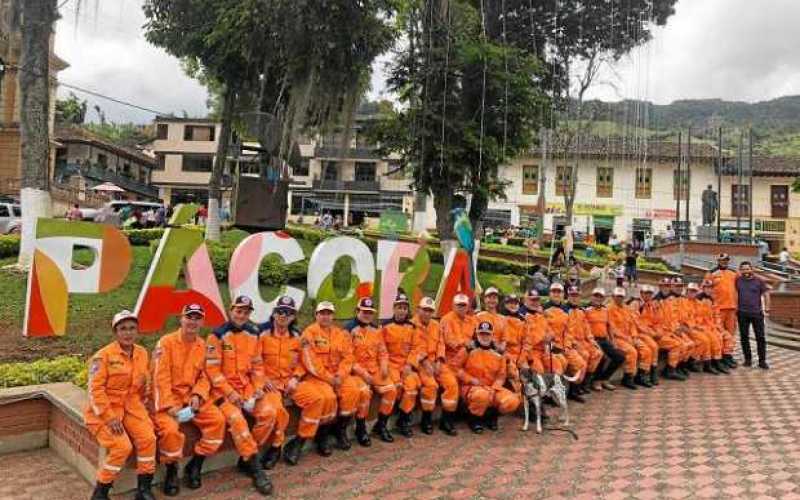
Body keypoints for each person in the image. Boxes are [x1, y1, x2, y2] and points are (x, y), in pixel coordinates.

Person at [152, 304, 226, 496]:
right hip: (170, 399)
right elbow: (160, 378)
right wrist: (169, 407)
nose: (193, 321)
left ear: (202, 322)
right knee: (169, 431)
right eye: (189, 317)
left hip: (192, 398)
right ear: (181, 319)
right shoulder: (165, 342)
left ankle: (196, 463)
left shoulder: (204, 346)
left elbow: (205, 376)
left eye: (197, 318)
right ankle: (171, 469)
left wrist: (198, 395)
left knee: (217, 421)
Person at [85, 310, 157, 500]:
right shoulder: (102, 357)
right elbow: (95, 390)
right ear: (115, 332)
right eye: (123, 329)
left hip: (133, 406)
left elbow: (144, 384)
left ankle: (144, 489)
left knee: (148, 438)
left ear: (137, 331)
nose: (128, 333)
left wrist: (147, 406)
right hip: (106, 409)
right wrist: (109, 417)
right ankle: (101, 491)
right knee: (122, 447)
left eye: (132, 328)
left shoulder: (142, 353)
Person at [206, 296, 273, 495]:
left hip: (247, 388)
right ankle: (255, 468)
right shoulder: (216, 336)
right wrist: (230, 393)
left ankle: (246, 456)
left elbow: (257, 366)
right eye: (238, 311)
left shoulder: (254, 334)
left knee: (269, 413)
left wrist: (259, 386)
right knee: (238, 422)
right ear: (230, 310)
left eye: (246, 311)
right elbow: (212, 371)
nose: (242, 315)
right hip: (223, 392)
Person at [284, 301, 361, 464]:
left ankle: (339, 430)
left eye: (329, 313)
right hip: (317, 378)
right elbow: (310, 363)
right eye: (322, 313)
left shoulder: (341, 334)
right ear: (316, 315)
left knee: (353, 391)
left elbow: (348, 357)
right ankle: (316, 437)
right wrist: (330, 379)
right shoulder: (309, 334)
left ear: (333, 316)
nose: (326, 316)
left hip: (338, 376)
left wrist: (340, 375)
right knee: (328, 398)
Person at [257, 296, 302, 469]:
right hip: (270, 384)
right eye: (280, 311)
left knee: (320, 398)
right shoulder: (261, 334)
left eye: (288, 313)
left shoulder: (298, 336)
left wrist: (296, 378)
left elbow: (303, 363)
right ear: (274, 313)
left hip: (290, 383)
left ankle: (306, 439)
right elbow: (253, 361)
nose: (283, 315)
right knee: (278, 411)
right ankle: (276, 447)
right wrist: (263, 378)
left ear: (293, 317)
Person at [382, 292, 434, 437]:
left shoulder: (412, 327)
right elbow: (381, 349)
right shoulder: (385, 326)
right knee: (395, 388)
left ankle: (404, 420)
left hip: (406, 365)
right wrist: (386, 366)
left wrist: (410, 365)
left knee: (411, 387)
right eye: (399, 307)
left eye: (405, 308)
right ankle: (382, 424)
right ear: (394, 308)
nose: (402, 311)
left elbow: (417, 348)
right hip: (391, 365)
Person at [345, 297, 396, 443]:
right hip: (356, 373)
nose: (367, 314)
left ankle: (381, 425)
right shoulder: (348, 329)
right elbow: (347, 358)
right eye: (364, 311)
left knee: (391, 389)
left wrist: (385, 365)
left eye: (370, 312)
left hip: (375, 370)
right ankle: (360, 428)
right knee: (365, 393)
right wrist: (362, 373)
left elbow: (383, 351)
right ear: (357, 311)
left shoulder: (376, 330)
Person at [458, 321, 521, 434]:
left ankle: (492, 415)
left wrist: (494, 388)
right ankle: (474, 419)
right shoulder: (468, 349)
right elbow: (456, 368)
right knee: (482, 395)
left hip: (492, 387)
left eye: (487, 334)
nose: (484, 336)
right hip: (472, 386)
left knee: (512, 401)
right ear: (477, 334)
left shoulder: (499, 353)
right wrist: (470, 379)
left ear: (492, 335)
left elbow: (501, 375)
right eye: (481, 333)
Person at [411, 296, 459, 436]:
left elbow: (441, 344)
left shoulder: (436, 325)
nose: (427, 313)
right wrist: (426, 363)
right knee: (431, 386)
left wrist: (439, 359)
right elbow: (415, 348)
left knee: (452, 384)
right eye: (424, 310)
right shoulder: (411, 325)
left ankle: (446, 421)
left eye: (430, 311)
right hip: (420, 363)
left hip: (437, 362)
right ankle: (427, 420)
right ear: (418, 309)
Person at [544, 283, 588, 403]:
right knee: (559, 365)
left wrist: (567, 346)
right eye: (554, 292)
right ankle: (551, 395)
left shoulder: (565, 310)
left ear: (563, 294)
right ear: (549, 294)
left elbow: (569, 331)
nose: (556, 294)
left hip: (565, 346)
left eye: (559, 292)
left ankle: (573, 390)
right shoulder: (543, 309)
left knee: (581, 364)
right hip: (551, 348)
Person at [638, 286, 688, 381]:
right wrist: (654, 333)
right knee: (655, 347)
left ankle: (671, 369)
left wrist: (665, 332)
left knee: (680, 343)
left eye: (650, 293)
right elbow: (640, 325)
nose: (648, 295)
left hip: (658, 334)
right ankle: (650, 373)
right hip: (646, 335)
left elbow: (659, 322)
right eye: (646, 293)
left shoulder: (652, 305)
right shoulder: (638, 305)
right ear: (641, 293)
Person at [607, 288, 652, 390]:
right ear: (613, 296)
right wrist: (627, 338)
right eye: (617, 296)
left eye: (621, 296)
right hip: (618, 339)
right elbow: (612, 328)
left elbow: (632, 325)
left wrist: (634, 336)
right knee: (632, 352)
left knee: (647, 350)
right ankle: (628, 377)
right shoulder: (609, 309)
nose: (619, 298)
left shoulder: (626, 308)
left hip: (630, 337)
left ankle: (641, 376)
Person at [565, 287, 606, 392]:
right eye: (572, 295)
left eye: (576, 295)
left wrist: (592, 341)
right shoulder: (565, 310)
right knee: (585, 355)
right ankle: (576, 386)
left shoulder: (581, 311)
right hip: (573, 342)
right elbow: (564, 330)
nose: (574, 298)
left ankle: (586, 381)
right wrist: (572, 343)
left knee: (598, 353)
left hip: (584, 341)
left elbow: (587, 328)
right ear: (568, 296)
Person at [584, 288, 626, 391]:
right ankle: (596, 381)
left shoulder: (605, 310)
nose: (598, 298)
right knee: (601, 357)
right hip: (592, 340)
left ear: (603, 298)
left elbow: (609, 326)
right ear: (592, 297)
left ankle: (605, 379)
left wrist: (613, 341)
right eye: (596, 296)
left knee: (619, 357)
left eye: (600, 296)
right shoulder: (586, 310)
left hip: (603, 339)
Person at [736, 261, 771, 369]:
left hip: (757, 313)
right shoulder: (737, 281)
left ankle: (762, 361)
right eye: (743, 269)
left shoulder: (759, 281)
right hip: (742, 313)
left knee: (760, 337)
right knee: (744, 337)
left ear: (752, 269)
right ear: (740, 270)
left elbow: (766, 294)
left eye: (747, 269)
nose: (746, 271)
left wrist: (767, 308)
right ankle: (748, 359)